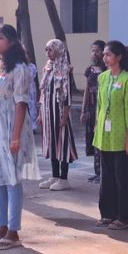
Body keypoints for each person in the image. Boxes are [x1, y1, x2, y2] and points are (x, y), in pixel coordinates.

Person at [0, 24, 39, 250]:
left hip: (10, 126)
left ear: (12, 41)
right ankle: (1, 225)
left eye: (0, 37)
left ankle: (13, 231)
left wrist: (15, 137)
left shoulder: (20, 68)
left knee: (12, 178)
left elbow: (21, 103)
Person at [93, 40, 128, 230]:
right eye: (104, 54)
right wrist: (97, 128)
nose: (105, 58)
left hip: (121, 135)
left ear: (119, 57)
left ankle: (123, 216)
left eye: (109, 55)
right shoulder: (103, 77)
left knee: (122, 177)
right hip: (105, 136)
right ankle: (107, 213)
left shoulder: (127, 79)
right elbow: (100, 105)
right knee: (107, 177)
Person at [38, 39, 78, 191]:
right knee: (52, 145)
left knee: (63, 144)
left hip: (60, 112)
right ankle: (55, 175)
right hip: (48, 113)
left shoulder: (64, 68)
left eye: (51, 50)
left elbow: (67, 94)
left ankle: (64, 178)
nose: (48, 53)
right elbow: (43, 91)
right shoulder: (48, 68)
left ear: (59, 50)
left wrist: (65, 115)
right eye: (46, 50)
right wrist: (41, 113)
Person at [81, 40, 106, 183]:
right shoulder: (89, 69)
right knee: (94, 140)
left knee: (102, 140)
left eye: (97, 50)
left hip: (102, 108)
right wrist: (84, 109)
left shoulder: (107, 69)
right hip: (91, 108)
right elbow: (86, 90)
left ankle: (104, 172)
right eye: (93, 50)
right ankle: (97, 171)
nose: (95, 53)